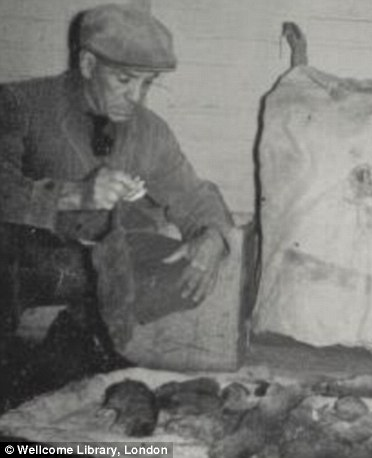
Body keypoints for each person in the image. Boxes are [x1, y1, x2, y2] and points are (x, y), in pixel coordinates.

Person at [0, 3, 234, 396]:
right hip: (29, 256)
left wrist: (212, 237)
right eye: (124, 80)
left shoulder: (150, 131)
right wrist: (74, 194)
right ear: (88, 64)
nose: (135, 97)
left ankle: (77, 340)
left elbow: (194, 195)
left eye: (147, 84)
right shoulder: (19, 104)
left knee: (185, 272)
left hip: (100, 259)